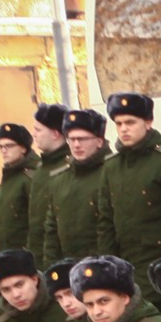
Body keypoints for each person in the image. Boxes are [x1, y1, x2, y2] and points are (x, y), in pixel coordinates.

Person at [94, 91, 161, 297]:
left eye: (130, 122)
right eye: (118, 123)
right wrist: (109, 264)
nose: (124, 129)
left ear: (148, 122)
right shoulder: (111, 167)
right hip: (125, 267)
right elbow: (105, 220)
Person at [41, 108, 114, 262]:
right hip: (67, 267)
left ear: (99, 141)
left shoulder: (112, 172)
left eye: (82, 139)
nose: (76, 145)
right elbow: (51, 230)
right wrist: (51, 266)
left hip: (102, 266)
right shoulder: (60, 179)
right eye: (72, 139)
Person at [25, 103, 69, 267]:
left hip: (58, 258)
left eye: (38, 129)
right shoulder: (41, 168)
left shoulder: (67, 168)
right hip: (38, 257)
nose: (34, 134)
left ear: (56, 133)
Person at [0, 123, 40, 254]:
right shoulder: (9, 177)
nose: (4, 150)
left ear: (23, 148)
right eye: (0, 146)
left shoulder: (31, 176)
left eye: (9, 146)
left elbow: (39, 221)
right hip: (8, 252)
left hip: (26, 254)